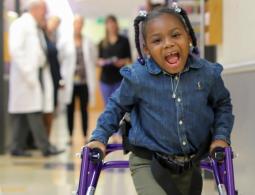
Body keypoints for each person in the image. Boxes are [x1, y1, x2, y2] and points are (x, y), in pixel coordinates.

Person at [87, 4, 234, 195]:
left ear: (189, 36)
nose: (168, 44)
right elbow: (115, 106)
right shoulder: (139, 77)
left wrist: (221, 137)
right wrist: (99, 138)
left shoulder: (206, 74)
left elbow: (222, 104)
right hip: (148, 162)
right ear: (146, 49)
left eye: (175, 35)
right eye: (157, 40)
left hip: (190, 163)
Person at [8, 0, 64, 157]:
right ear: (35, 8)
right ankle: (45, 147)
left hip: (35, 75)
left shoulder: (35, 27)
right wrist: (28, 73)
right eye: (43, 10)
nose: (45, 14)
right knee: (32, 112)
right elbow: (16, 50)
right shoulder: (20, 24)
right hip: (26, 76)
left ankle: (17, 146)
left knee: (23, 114)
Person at [59, 15, 97, 145]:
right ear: (73, 25)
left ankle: (85, 135)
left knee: (84, 110)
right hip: (70, 82)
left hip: (84, 82)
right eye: (76, 23)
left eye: (80, 23)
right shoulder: (65, 42)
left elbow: (93, 58)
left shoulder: (89, 42)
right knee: (69, 109)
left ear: (82, 25)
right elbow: (61, 59)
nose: (78, 26)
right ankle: (70, 136)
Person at [97, 15, 132, 105]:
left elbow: (129, 59)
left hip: (120, 79)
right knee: (108, 107)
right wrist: (101, 62)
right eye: (108, 23)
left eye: (113, 23)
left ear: (116, 24)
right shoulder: (102, 43)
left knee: (120, 106)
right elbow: (98, 60)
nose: (111, 26)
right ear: (106, 26)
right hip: (105, 80)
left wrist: (122, 62)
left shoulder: (124, 40)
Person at [42, 16, 64, 137]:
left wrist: (60, 79)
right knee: (47, 109)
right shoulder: (42, 37)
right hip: (46, 78)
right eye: (54, 23)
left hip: (54, 79)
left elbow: (56, 62)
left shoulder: (51, 38)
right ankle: (44, 140)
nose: (55, 26)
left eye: (57, 24)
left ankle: (47, 139)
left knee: (52, 108)